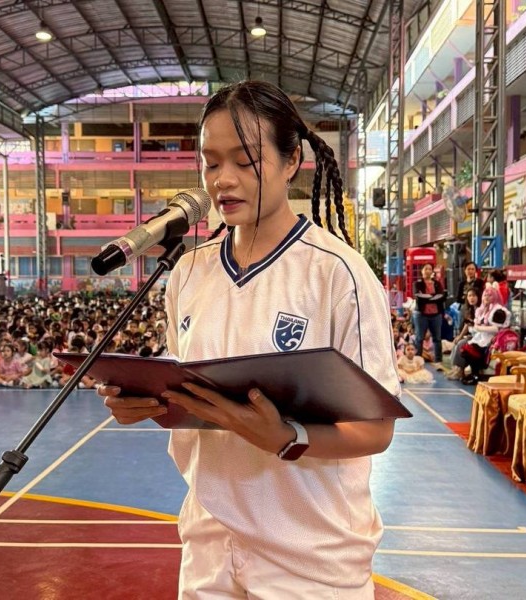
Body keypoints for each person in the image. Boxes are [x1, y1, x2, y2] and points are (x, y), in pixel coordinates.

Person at [98, 81, 400, 597]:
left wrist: (286, 437)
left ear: (291, 161)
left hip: (311, 559)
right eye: (211, 163)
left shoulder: (338, 273)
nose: (223, 180)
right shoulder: (188, 272)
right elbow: (189, 390)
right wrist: (143, 402)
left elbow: (376, 430)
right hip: (209, 546)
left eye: (245, 161)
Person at [413, 263, 445, 369]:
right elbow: (418, 296)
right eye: (425, 269)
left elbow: (441, 296)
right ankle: (418, 361)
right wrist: (433, 297)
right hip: (421, 314)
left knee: (437, 338)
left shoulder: (437, 283)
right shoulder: (417, 283)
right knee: (419, 338)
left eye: (430, 269)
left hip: (436, 314)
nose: (428, 271)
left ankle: (438, 361)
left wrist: (427, 297)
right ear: (422, 271)